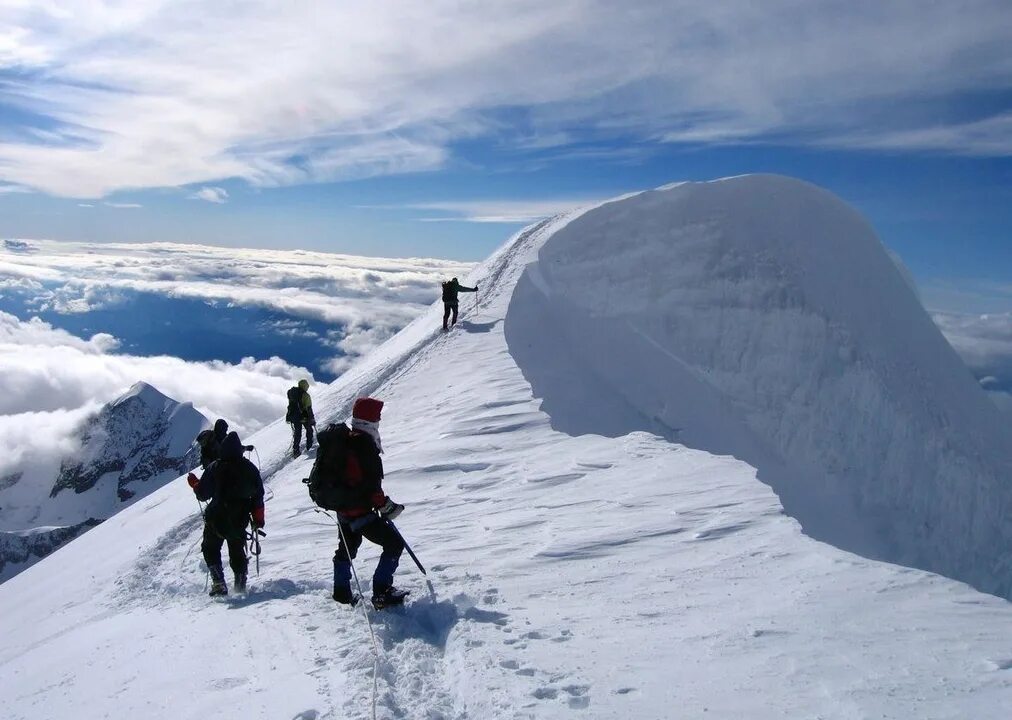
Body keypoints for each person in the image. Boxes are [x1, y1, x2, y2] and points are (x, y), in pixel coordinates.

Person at [331, 397, 406, 608]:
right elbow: (371, 486)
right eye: (377, 415)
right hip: (360, 511)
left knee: (347, 548)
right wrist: (388, 507)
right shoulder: (365, 445)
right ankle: (382, 592)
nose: (380, 418)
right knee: (394, 544)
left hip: (343, 509)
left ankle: (341, 592)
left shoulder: (346, 439)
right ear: (370, 419)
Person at [187, 431, 265, 596]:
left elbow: (202, 494)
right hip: (240, 518)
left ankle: (218, 582)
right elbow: (258, 495)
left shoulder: (215, 466)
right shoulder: (249, 468)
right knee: (237, 550)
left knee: (210, 548)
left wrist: (194, 483)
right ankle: (240, 583)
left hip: (216, 518)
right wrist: (258, 519)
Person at [286, 379, 316, 458]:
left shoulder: (291, 393)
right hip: (304, 416)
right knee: (309, 430)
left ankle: (296, 450)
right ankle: (309, 446)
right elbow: (308, 408)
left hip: (294, 417)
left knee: (297, 433)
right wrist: (312, 419)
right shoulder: (305, 395)